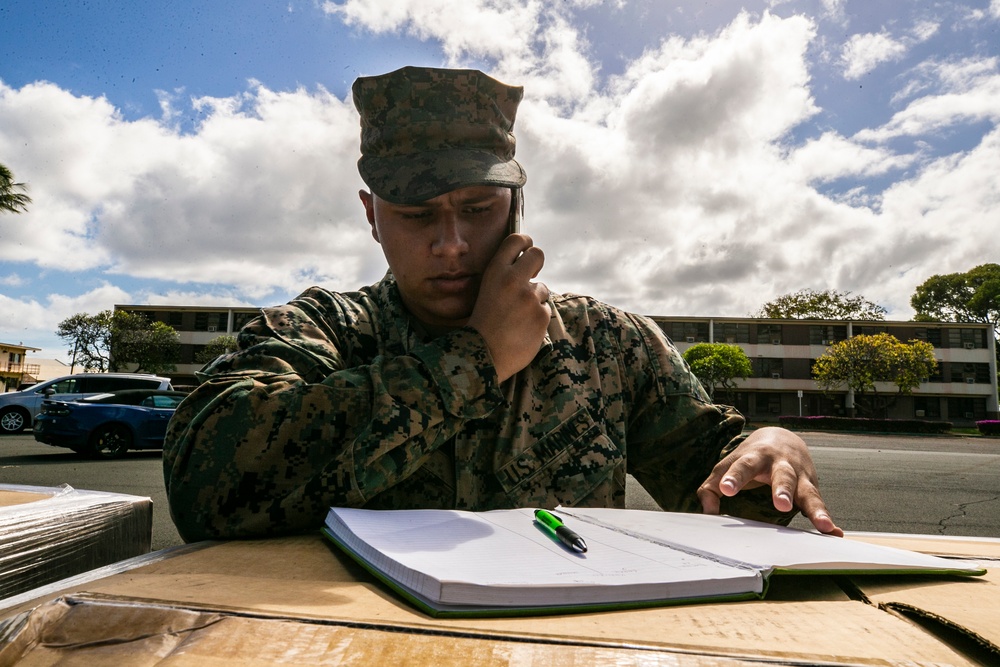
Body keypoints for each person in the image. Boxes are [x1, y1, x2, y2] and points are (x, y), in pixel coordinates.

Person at [163, 66, 842, 542]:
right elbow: (203, 482)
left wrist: (770, 450)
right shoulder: (328, 331)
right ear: (372, 215)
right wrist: (476, 358)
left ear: (518, 202)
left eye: (478, 209)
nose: (451, 244)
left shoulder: (608, 342)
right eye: (416, 214)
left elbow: (718, 470)